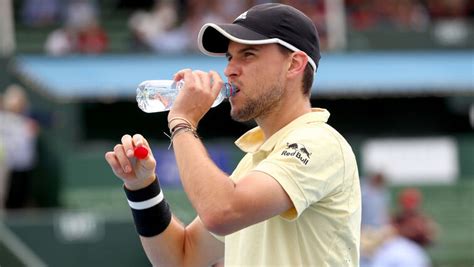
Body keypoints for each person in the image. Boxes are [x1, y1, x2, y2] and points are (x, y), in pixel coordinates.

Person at [105, 3, 361, 266]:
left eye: (248, 54)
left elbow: (222, 211)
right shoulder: (252, 165)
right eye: (230, 57)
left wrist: (182, 122)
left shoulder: (319, 141)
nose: (229, 70)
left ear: (294, 64)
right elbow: (181, 258)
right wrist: (142, 188)